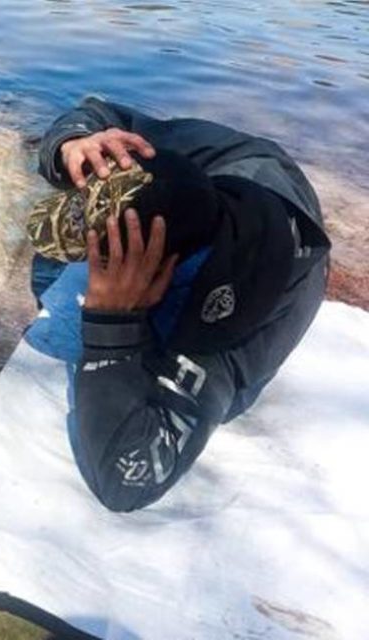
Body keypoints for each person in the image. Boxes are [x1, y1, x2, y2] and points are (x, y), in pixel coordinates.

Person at [28, 96, 331, 512]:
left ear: (149, 279)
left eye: (94, 258)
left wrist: (111, 324)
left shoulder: (220, 335)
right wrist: (74, 143)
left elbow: (127, 479)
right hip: (255, 169)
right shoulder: (189, 164)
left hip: (252, 279)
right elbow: (101, 110)